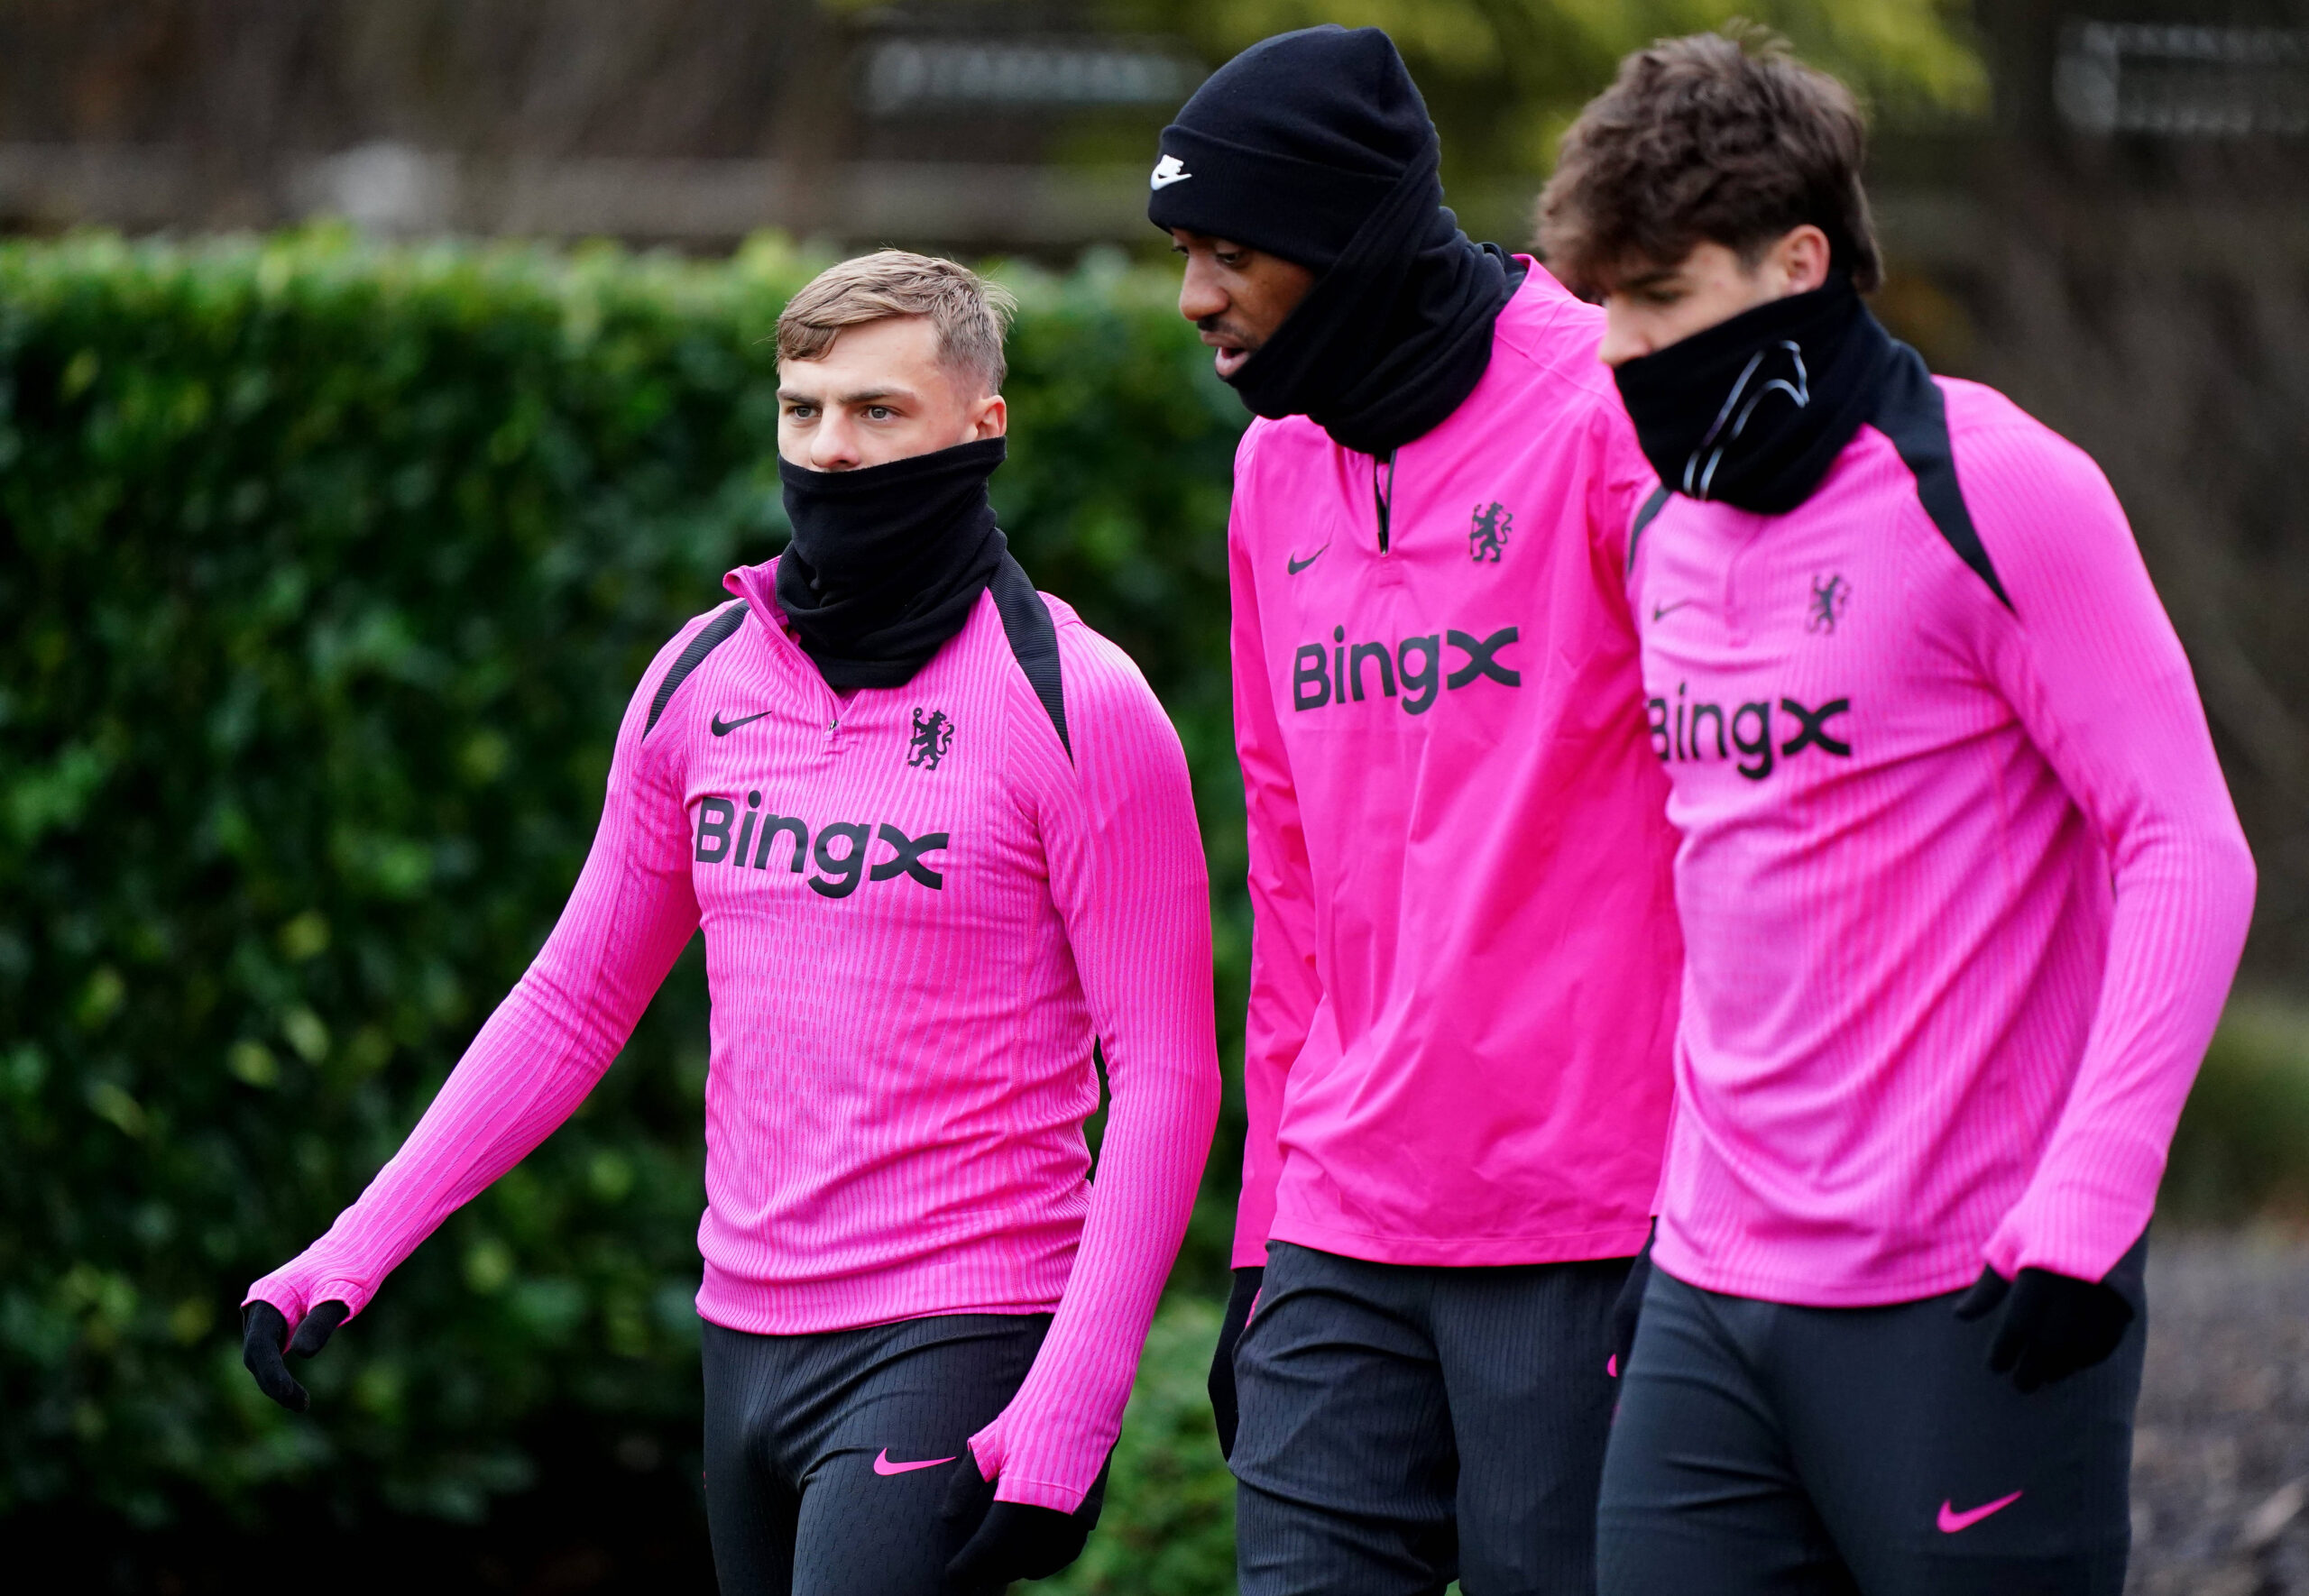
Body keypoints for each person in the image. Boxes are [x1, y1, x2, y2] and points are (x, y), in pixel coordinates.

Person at [239, 251, 1221, 1596]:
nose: (830, 448)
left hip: (959, 1321)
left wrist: (1077, 1398)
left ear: (980, 428)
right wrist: (351, 1244)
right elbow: (574, 999)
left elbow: (1166, 1071)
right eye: (802, 408)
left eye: (879, 411)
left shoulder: (1078, 703)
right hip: (739, 1331)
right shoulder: (702, 680)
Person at [1533, 30, 2258, 1594]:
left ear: (1798, 262)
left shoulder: (2001, 490)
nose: (1617, 352)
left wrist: (2095, 1189)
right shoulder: (1663, 526)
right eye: (1605, 309)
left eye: (1660, 301)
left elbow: (2186, 844)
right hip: (1708, 1294)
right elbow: (1722, 891)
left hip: (1975, 1288)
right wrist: (1654, 1208)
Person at [1148, 26, 1683, 1595]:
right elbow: (1293, 879)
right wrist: (1257, 1244)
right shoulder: (1273, 474)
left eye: (1231, 253)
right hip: (1339, 1213)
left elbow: (1743, 824)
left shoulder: (1611, 410)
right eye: (1187, 254)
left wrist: (1713, 1218)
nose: (1196, 298)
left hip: (1588, 1216)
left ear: (1349, 237)